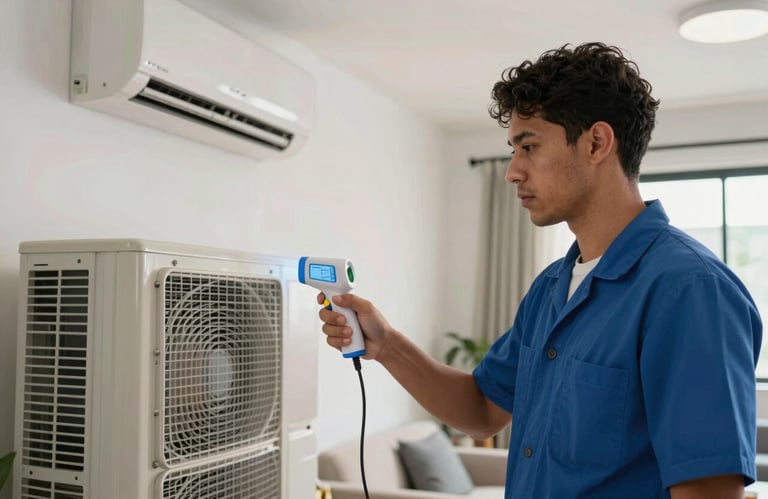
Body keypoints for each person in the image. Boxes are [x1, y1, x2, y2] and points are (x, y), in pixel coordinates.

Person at [317, 42, 763, 498]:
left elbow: (709, 492)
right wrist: (386, 345)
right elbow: (483, 410)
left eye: (528, 146)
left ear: (596, 143)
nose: (512, 172)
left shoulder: (690, 289)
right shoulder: (551, 287)